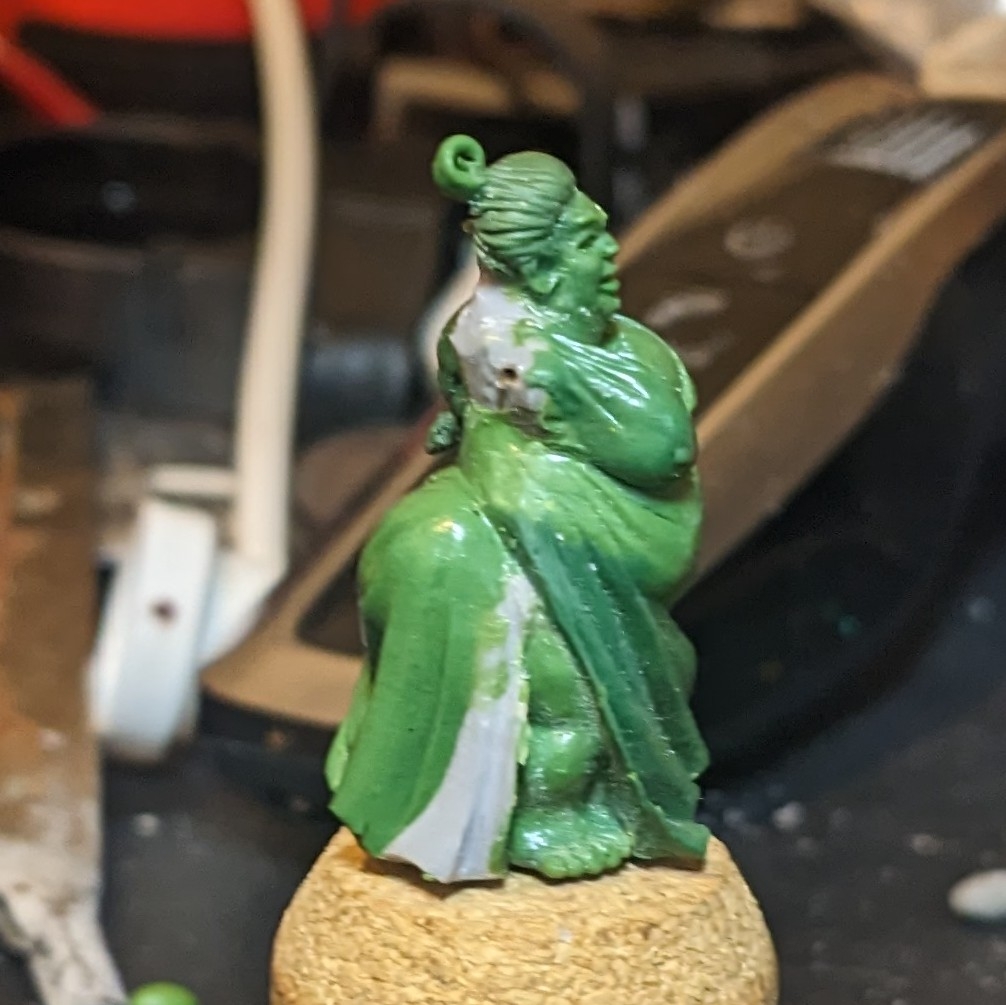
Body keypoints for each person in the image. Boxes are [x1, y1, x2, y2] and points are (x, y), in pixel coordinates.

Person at [327, 135, 709, 882]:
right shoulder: (532, 351)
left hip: (577, 531)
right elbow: (658, 446)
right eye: (590, 241)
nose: (610, 253)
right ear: (543, 267)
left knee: (640, 667)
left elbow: (658, 449)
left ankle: (569, 800)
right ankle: (533, 815)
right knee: (565, 684)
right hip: (507, 529)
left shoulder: (538, 341)